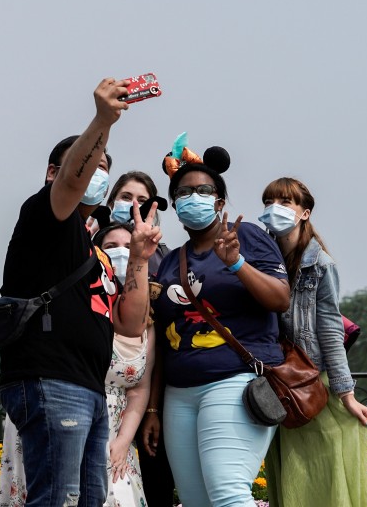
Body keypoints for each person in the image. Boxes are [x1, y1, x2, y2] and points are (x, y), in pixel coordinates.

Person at [0, 77, 160, 507]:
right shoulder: (44, 216)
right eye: (92, 166)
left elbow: (128, 323)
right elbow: (72, 180)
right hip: (51, 380)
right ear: (55, 172)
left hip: (86, 387)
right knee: (56, 500)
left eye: (105, 170)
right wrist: (104, 121)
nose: (97, 176)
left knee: (87, 501)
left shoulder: (95, 252)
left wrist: (140, 258)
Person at [151, 141, 290, 507]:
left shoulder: (246, 238)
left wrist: (236, 264)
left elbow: (280, 299)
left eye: (202, 190)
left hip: (233, 381)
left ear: (220, 201)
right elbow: (161, 344)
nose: (192, 197)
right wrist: (152, 408)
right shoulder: (170, 262)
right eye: (183, 192)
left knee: (228, 494)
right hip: (179, 394)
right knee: (197, 501)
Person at [0, 222, 154, 507]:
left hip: (109, 427)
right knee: (56, 496)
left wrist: (140, 258)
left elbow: (138, 380)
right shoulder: (73, 292)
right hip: (58, 402)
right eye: (111, 247)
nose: (121, 253)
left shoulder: (136, 317)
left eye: (129, 246)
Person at [258, 177, 367, 507]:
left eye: (285, 203)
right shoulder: (258, 258)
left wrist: (346, 394)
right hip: (272, 385)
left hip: (308, 382)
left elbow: (330, 332)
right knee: (289, 475)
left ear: (305, 213)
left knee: (322, 475)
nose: (274, 210)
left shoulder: (319, 266)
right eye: (269, 203)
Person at [104, 172, 177, 507]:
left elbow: (161, 344)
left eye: (142, 200)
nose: (133, 205)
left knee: (153, 485)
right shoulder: (89, 257)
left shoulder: (166, 264)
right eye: (124, 197)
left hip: (146, 388)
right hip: (98, 398)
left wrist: (151, 409)